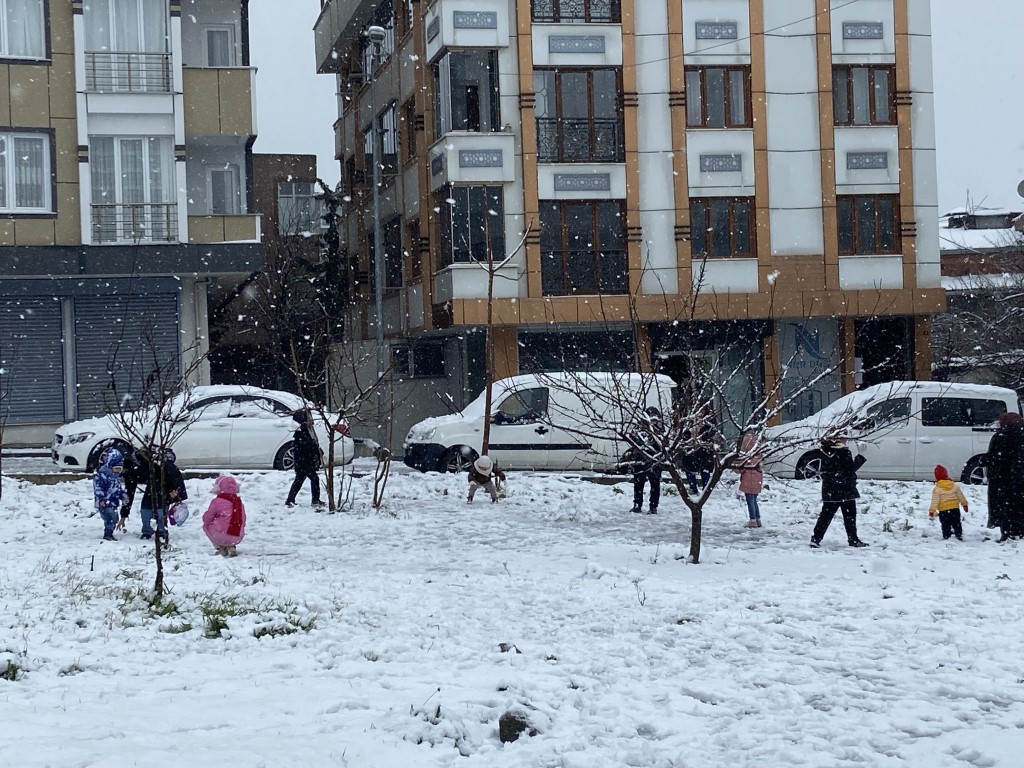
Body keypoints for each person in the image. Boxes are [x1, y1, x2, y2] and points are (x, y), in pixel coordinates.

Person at [810, 435, 868, 548]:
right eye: (843, 437)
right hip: (845, 489)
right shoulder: (844, 452)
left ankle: (816, 538)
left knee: (826, 515)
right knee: (850, 516)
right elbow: (850, 469)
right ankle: (853, 539)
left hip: (830, 489)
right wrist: (861, 457)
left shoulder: (825, 451)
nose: (846, 439)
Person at [121, 447, 187, 542]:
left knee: (161, 509)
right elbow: (129, 493)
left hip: (166, 482)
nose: (120, 473)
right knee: (145, 508)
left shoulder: (143, 460)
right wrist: (124, 514)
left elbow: (171, 471)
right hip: (152, 484)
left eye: (120, 469)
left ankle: (161, 531)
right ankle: (147, 531)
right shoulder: (130, 473)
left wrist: (174, 489)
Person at [986, 411, 1024, 542]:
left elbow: (992, 458)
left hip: (1002, 478)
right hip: (1020, 477)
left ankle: (1007, 532)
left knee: (1004, 506)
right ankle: (1020, 530)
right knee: (1019, 504)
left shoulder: (999, 437)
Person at [285, 409, 324, 509]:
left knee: (299, 479)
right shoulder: (302, 433)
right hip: (305, 461)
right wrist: (315, 449)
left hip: (305, 461)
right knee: (314, 478)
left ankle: (290, 499)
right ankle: (315, 500)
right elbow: (307, 446)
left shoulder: (307, 431)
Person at [628, 406, 664, 515]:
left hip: (654, 461)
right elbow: (632, 438)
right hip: (641, 460)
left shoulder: (659, 429)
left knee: (654, 484)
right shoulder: (639, 428)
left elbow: (662, 444)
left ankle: (653, 506)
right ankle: (637, 504)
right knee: (638, 483)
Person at [202, 474, 246, 557]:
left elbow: (208, 517)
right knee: (229, 528)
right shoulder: (238, 502)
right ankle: (231, 547)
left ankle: (221, 547)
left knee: (207, 526)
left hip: (220, 534)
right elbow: (243, 519)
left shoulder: (217, 502)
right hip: (237, 535)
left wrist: (206, 521)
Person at [93, 449, 128, 541]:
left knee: (114, 518)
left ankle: (110, 533)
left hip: (113, 502)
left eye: (120, 469)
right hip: (104, 503)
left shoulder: (116, 478)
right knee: (109, 519)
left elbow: (119, 489)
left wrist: (123, 495)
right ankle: (108, 534)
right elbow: (98, 488)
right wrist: (101, 499)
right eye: (116, 469)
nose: (118, 471)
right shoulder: (101, 476)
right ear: (109, 466)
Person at [732, 430, 763, 528]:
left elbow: (740, 468)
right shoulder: (758, 456)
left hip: (749, 479)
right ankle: (757, 519)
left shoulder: (747, 458)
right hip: (757, 479)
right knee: (754, 499)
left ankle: (752, 520)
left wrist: (734, 467)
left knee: (750, 500)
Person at [929, 464, 967, 541]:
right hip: (955, 509)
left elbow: (935, 501)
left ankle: (946, 535)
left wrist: (932, 510)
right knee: (957, 523)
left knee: (945, 524)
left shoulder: (937, 489)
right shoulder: (955, 486)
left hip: (944, 511)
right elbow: (961, 496)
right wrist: (964, 504)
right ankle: (958, 534)